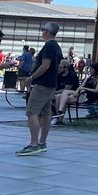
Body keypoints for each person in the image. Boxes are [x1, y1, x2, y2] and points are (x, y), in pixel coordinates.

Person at [16, 22, 63, 156]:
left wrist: (31, 77)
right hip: (51, 84)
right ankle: (42, 143)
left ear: (47, 31)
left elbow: (45, 65)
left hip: (42, 84)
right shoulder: (56, 47)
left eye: (43, 30)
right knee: (45, 113)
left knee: (32, 112)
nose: (42, 32)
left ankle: (34, 144)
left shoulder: (49, 46)